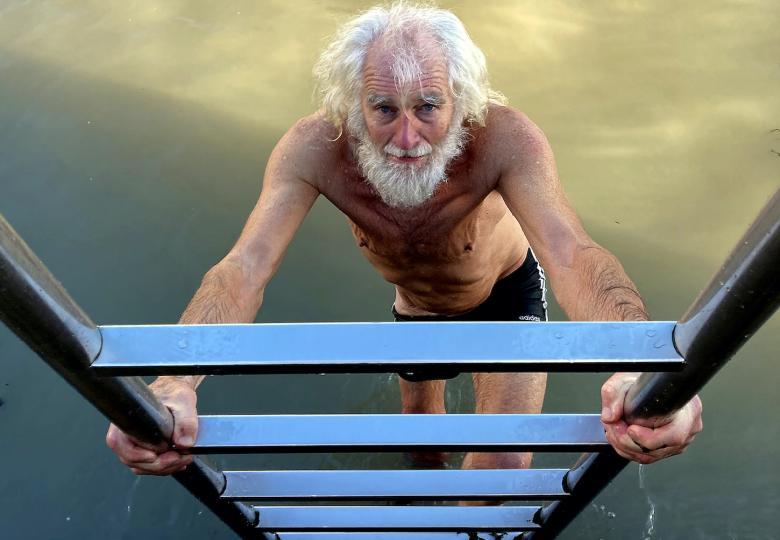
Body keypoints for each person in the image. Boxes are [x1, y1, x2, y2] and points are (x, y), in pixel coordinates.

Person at [106, 2, 703, 477]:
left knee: (502, 468)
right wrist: (174, 383)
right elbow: (245, 268)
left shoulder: (503, 140)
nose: (407, 136)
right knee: (423, 448)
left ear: (461, 102)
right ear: (351, 103)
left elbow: (573, 253)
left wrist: (642, 362)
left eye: (428, 106)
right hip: (416, 308)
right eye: (384, 108)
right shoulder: (317, 150)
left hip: (506, 298)